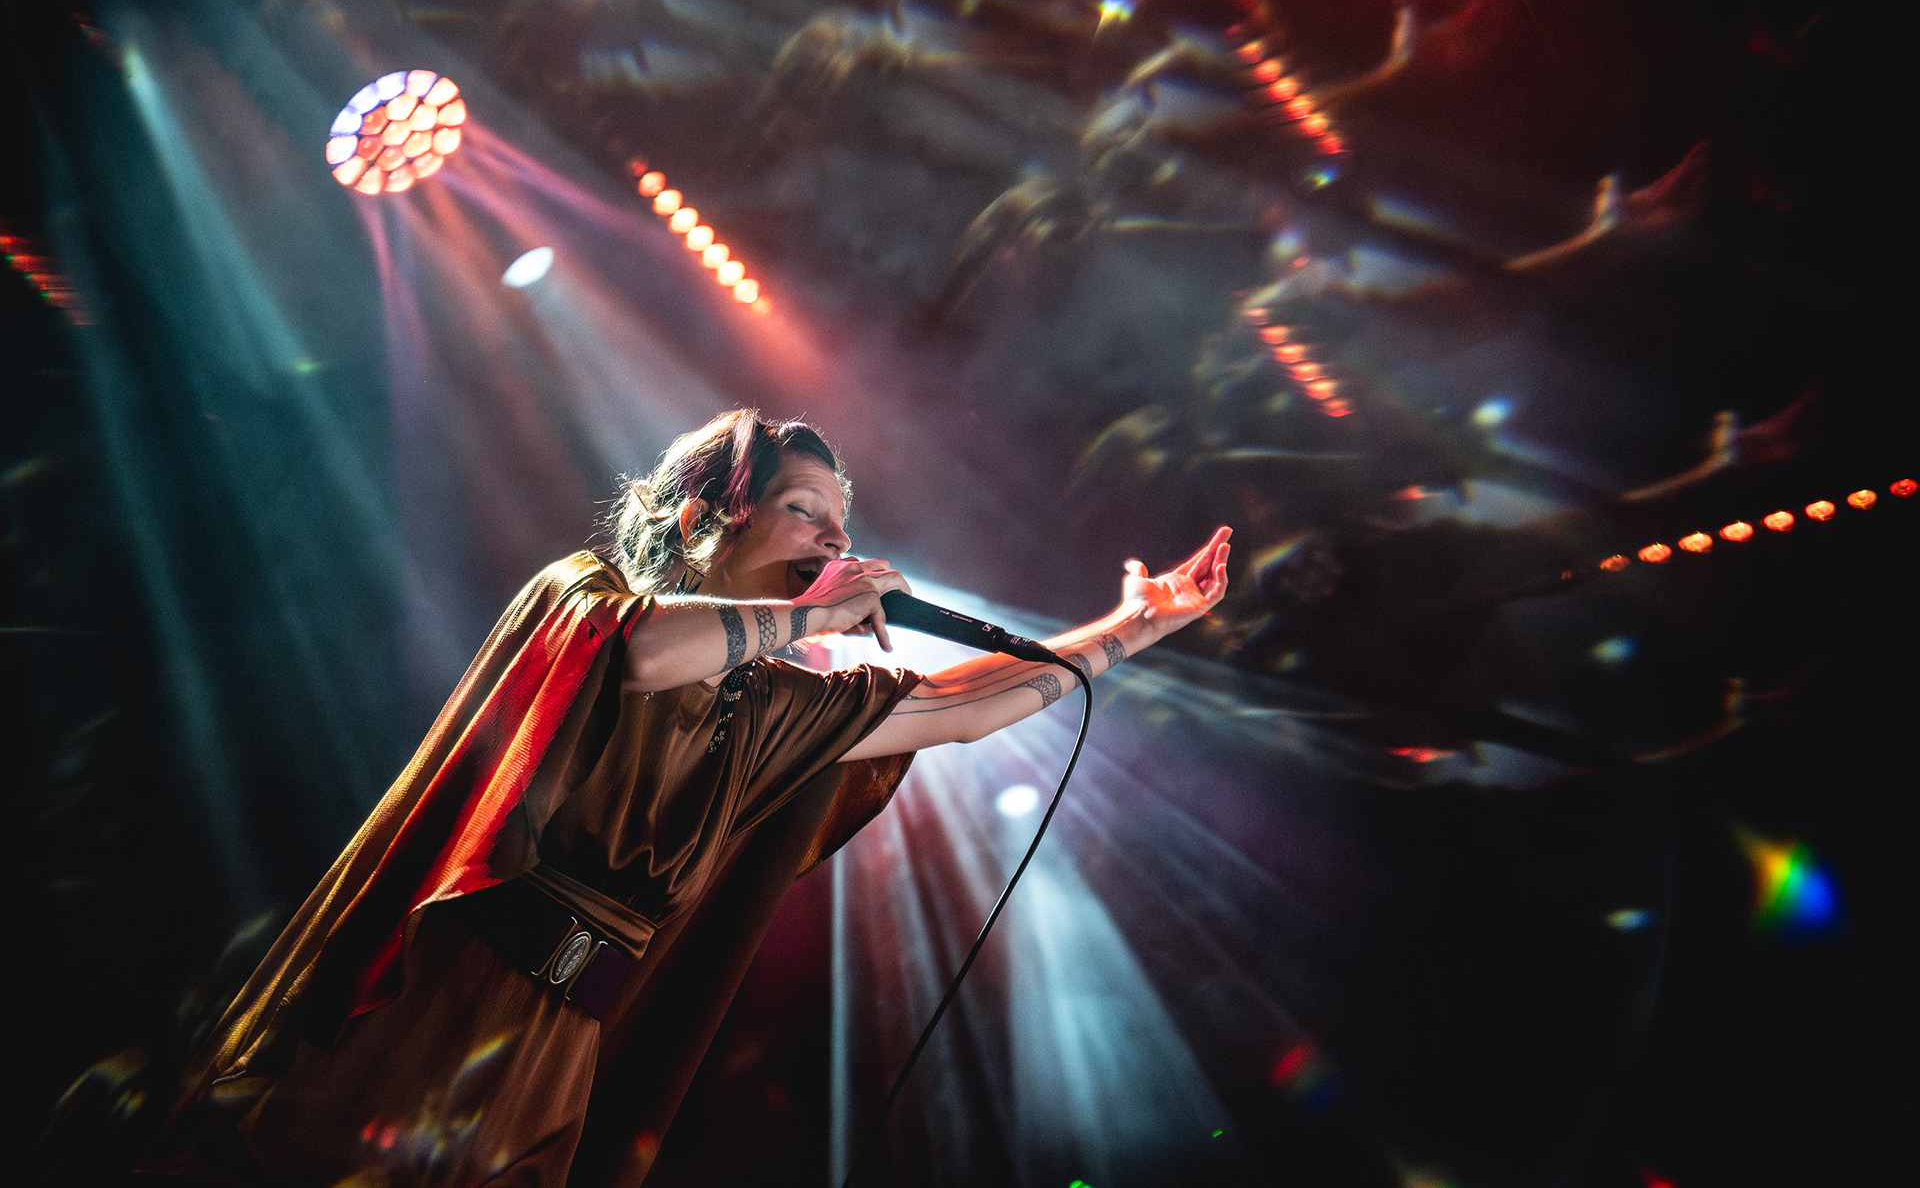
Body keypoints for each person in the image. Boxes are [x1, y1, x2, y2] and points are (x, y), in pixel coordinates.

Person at [146, 409, 1231, 1186]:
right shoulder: (585, 598)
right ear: (710, 511)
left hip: (560, 1035)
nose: (835, 541)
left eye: (841, 524)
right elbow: (650, 653)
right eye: (805, 510)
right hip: (442, 989)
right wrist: (816, 616)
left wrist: (1134, 626)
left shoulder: (771, 708)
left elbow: (956, 708)